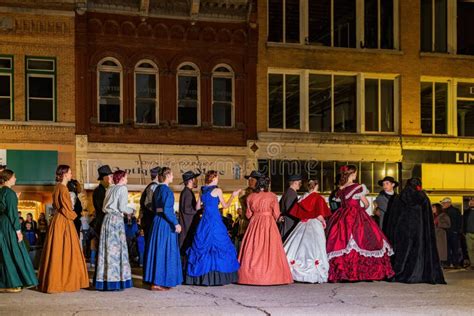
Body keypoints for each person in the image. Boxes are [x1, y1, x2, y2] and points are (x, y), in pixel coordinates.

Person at [326, 165, 394, 282]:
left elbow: (339, 203)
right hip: (356, 214)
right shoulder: (357, 187)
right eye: (356, 173)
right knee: (364, 239)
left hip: (342, 216)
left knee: (341, 241)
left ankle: (343, 272)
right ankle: (362, 272)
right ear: (353, 174)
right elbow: (366, 203)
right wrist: (362, 208)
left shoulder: (341, 189)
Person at [383, 178, 445, 284]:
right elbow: (428, 218)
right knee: (418, 252)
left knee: (402, 252)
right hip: (419, 231)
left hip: (402, 231)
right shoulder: (422, 197)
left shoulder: (398, 197)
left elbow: (393, 218)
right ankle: (418, 274)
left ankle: (400, 273)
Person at [38, 165, 89, 293]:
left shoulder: (58, 188)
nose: (72, 175)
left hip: (58, 220)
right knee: (67, 250)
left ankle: (55, 280)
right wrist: (77, 216)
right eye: (70, 173)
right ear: (65, 174)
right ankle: (63, 281)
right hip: (64, 221)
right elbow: (67, 209)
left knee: (58, 250)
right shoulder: (63, 188)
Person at [185, 170, 241, 286]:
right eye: (217, 177)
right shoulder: (218, 190)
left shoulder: (202, 191)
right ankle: (219, 277)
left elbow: (196, 207)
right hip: (215, 221)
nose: (218, 179)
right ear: (214, 178)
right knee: (220, 245)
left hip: (205, 221)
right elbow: (225, 206)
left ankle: (202, 276)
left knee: (203, 246)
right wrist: (233, 196)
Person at [238, 176, 293, 285]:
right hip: (268, 223)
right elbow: (276, 213)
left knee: (253, 247)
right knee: (270, 247)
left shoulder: (251, 197)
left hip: (254, 223)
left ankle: (250, 276)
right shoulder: (272, 196)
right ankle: (271, 276)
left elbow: (248, 215)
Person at [283, 180, 332, 283]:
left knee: (299, 246)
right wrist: (323, 221)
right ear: (316, 186)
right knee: (314, 248)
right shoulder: (318, 198)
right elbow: (318, 214)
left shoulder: (303, 197)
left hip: (303, 224)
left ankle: (295, 271)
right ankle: (313, 273)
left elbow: (299, 212)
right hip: (315, 224)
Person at [143, 167, 182, 291]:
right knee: (165, 251)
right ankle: (160, 281)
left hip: (157, 221)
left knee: (157, 250)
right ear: (168, 175)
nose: (173, 177)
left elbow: (154, 207)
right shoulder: (167, 191)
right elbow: (167, 210)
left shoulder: (157, 189)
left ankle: (154, 280)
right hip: (165, 224)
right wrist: (176, 223)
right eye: (171, 175)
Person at [0, 169, 38, 293]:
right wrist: (18, 231)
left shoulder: (2, 192)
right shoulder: (9, 193)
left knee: (5, 253)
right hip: (9, 226)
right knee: (15, 253)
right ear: (8, 178)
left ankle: (7, 283)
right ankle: (17, 282)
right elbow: (13, 214)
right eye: (14, 177)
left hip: (2, 225)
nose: (15, 179)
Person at [95, 170, 133, 291]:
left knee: (107, 250)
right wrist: (131, 210)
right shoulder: (122, 189)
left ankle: (105, 280)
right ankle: (116, 280)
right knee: (116, 250)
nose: (127, 180)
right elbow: (122, 207)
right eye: (126, 178)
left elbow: (103, 207)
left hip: (107, 220)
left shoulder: (110, 189)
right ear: (122, 178)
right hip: (116, 220)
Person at [138, 166, 161, 272]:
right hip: (151, 221)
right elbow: (149, 204)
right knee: (151, 246)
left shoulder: (150, 186)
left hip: (148, 221)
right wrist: (160, 211)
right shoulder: (153, 187)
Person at [178, 171, 201, 255]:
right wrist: (197, 210)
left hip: (188, 225)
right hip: (187, 226)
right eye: (195, 178)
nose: (196, 180)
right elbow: (187, 209)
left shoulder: (187, 191)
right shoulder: (187, 192)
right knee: (186, 248)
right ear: (190, 180)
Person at [441, 197, 463, 269]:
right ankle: (453, 264)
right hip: (451, 233)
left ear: (449, 203)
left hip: (452, 232)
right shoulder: (446, 211)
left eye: (444, 203)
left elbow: (459, 222)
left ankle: (452, 263)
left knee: (452, 248)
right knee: (451, 248)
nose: (442, 204)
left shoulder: (451, 211)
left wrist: (457, 231)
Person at [278, 175, 302, 241]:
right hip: (289, 222)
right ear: (295, 183)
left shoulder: (288, 192)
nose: (300, 185)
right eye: (299, 183)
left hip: (287, 220)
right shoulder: (291, 193)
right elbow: (291, 210)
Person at [432, 203, 450, 267]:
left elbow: (448, 225)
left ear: (438, 208)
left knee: (441, 249)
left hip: (440, 235)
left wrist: (438, 223)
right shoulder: (432, 215)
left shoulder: (444, 215)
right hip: (433, 235)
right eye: (432, 207)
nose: (432, 209)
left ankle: (442, 262)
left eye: (434, 207)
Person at [464, 198, 474, 270]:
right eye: (470, 201)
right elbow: (463, 222)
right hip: (468, 233)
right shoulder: (466, 212)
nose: (471, 202)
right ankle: (472, 264)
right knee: (470, 250)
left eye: (473, 201)